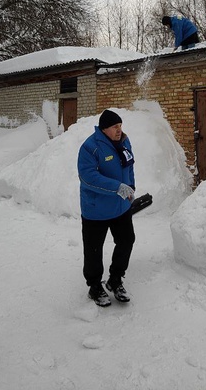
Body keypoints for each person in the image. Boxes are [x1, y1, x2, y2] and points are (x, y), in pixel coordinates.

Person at [77, 109, 136, 306]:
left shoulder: (124, 141)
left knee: (127, 240)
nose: (119, 130)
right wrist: (117, 187)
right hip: (96, 209)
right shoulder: (90, 147)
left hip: (120, 206)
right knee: (94, 250)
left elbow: (129, 165)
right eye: (115, 127)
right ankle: (94, 287)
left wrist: (131, 186)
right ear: (104, 129)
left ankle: (115, 280)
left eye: (120, 126)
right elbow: (88, 177)